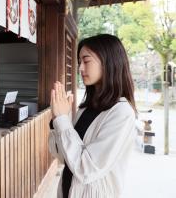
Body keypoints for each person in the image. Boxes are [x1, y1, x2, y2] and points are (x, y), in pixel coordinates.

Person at [49, 34, 137, 198]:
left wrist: (62, 120)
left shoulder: (122, 113)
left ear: (108, 62)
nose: (80, 68)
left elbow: (85, 169)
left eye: (86, 61)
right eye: (79, 62)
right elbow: (63, 157)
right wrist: (57, 121)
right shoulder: (86, 108)